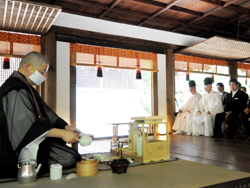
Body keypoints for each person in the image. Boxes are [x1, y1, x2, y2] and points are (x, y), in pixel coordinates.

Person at [0, 52, 82, 178]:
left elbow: (45, 111)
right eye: (42, 71)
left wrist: (65, 127)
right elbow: (26, 125)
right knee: (70, 158)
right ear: (27, 67)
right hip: (14, 148)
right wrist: (62, 133)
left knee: (72, 156)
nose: (44, 76)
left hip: (36, 139)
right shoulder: (15, 89)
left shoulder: (27, 87)